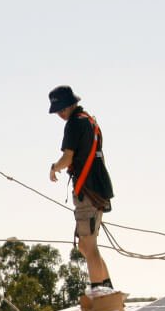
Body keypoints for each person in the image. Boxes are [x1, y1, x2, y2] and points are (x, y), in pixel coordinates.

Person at [47, 85, 116, 295]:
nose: (59, 114)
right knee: (87, 246)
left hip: (88, 191)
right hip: (99, 188)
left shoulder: (74, 124)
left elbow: (68, 158)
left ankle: (100, 298)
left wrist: (54, 168)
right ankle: (107, 291)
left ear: (70, 105)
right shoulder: (90, 121)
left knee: (88, 244)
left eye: (61, 109)